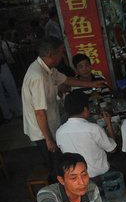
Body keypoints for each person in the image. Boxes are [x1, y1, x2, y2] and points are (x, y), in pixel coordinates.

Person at [22, 37, 106, 179]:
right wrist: (48, 139)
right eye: (61, 52)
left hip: (51, 124)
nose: (63, 56)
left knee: (59, 162)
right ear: (51, 55)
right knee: (55, 165)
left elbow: (66, 80)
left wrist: (92, 84)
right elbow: (39, 112)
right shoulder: (38, 76)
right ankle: (59, 193)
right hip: (43, 131)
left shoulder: (48, 69)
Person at [55, 92, 117, 181]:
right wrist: (109, 124)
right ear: (85, 109)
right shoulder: (94, 129)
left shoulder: (59, 132)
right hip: (100, 177)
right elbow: (112, 149)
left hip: (77, 180)